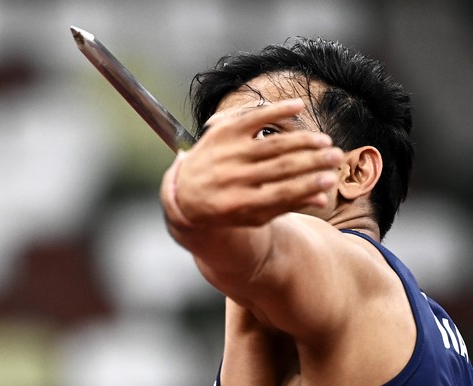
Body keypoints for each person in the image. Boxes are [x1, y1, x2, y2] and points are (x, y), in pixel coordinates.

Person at [159, 37, 473, 385]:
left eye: (266, 131)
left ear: (354, 172)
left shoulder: (354, 272)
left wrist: (196, 207)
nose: (229, 156)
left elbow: (265, 254)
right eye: (216, 141)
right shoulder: (424, 321)